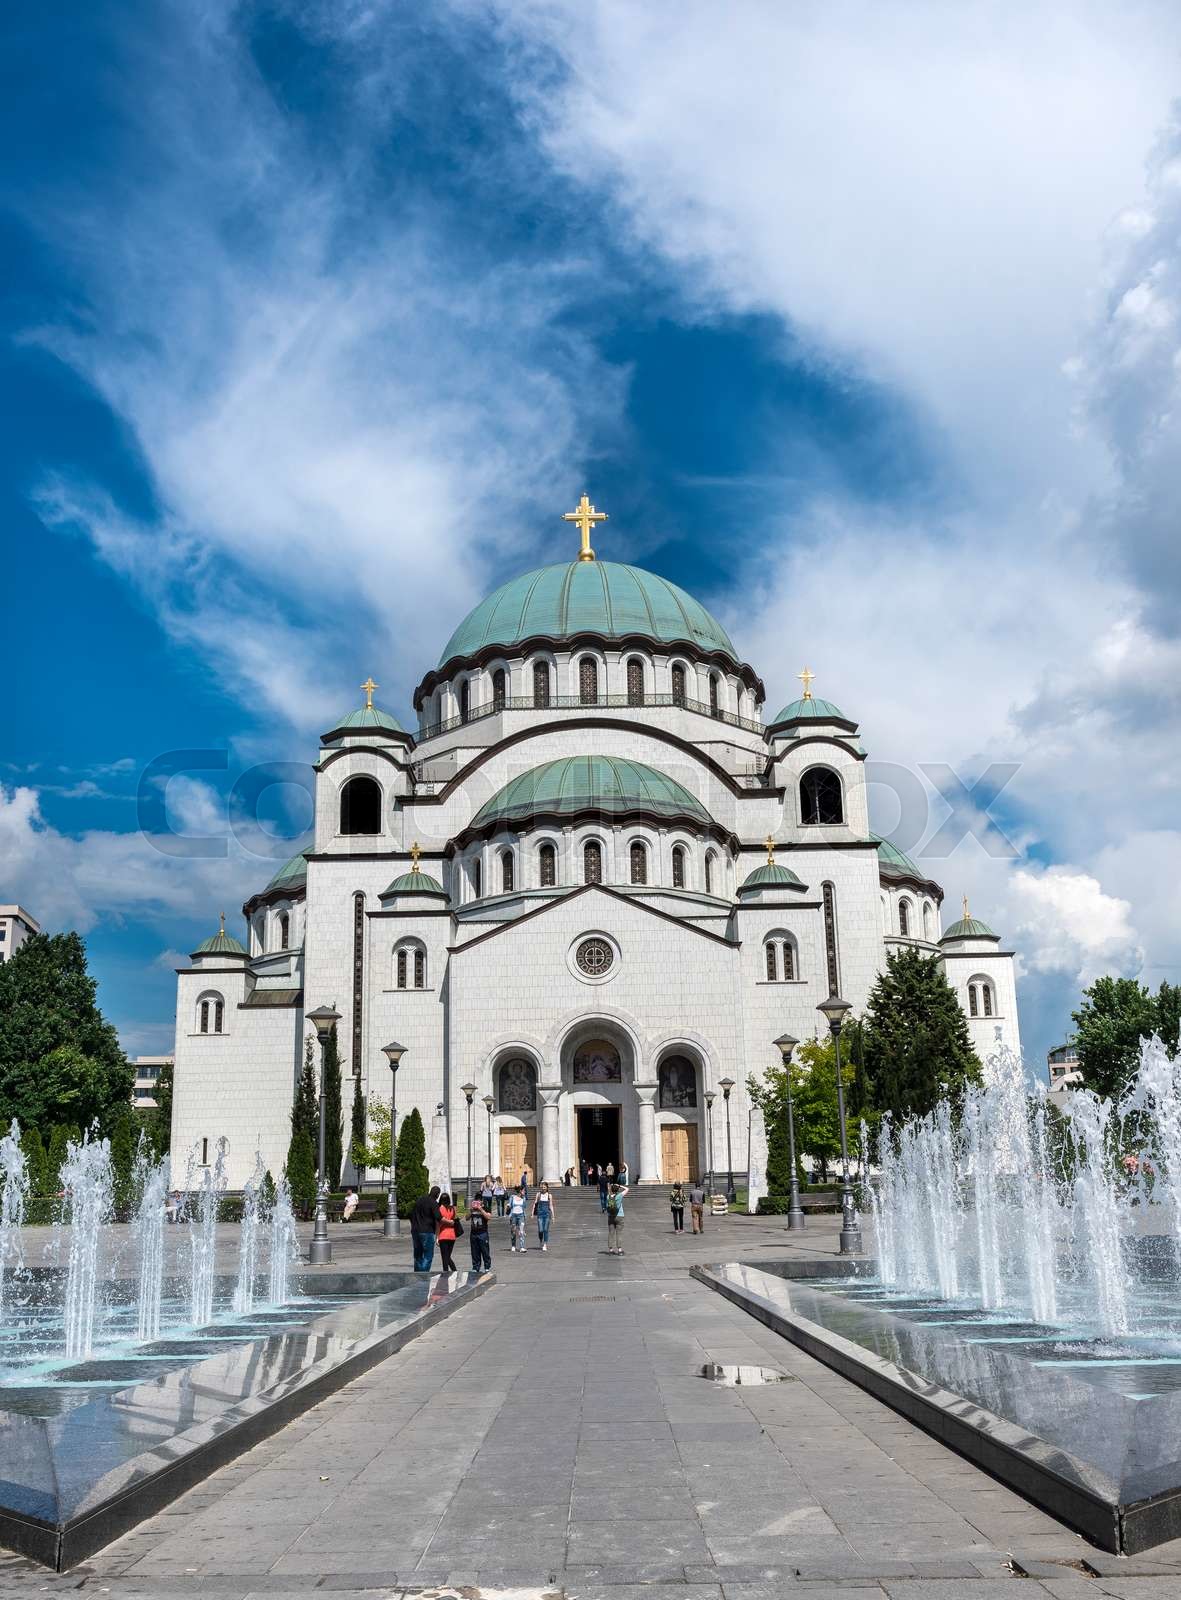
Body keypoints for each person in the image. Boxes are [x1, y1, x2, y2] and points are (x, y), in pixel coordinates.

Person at [411, 1184, 442, 1271]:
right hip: (427, 1231)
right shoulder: (433, 1203)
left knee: (418, 1254)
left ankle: (417, 1273)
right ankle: (423, 1275)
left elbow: (411, 1214)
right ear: (437, 1195)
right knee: (428, 1255)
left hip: (415, 1230)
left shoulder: (419, 1200)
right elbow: (438, 1217)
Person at [469, 1193, 492, 1272]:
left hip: (483, 1233)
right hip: (473, 1233)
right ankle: (475, 1267)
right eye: (476, 1201)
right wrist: (471, 1210)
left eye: (479, 1201)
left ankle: (487, 1267)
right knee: (474, 1251)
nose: (477, 1203)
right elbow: (466, 1218)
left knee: (485, 1250)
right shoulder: (473, 1209)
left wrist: (481, 1209)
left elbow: (489, 1217)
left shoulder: (486, 1208)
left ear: (482, 1201)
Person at [437, 1193, 458, 1271]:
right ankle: (454, 1271)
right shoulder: (452, 1208)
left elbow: (439, 1224)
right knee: (448, 1256)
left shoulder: (440, 1209)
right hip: (452, 1235)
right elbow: (454, 1218)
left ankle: (446, 1272)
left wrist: (437, 1237)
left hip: (443, 1235)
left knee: (444, 1257)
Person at [606, 1181, 628, 1254]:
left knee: (611, 1233)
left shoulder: (608, 1196)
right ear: (618, 1190)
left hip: (610, 1216)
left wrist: (610, 1187)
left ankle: (611, 1250)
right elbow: (627, 1189)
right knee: (619, 1233)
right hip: (619, 1216)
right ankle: (619, 1250)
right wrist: (620, 1186)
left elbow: (607, 1205)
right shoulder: (619, 1195)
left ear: (611, 1190)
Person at [532, 1181, 555, 1251]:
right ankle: (541, 1240)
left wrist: (553, 1216)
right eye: (542, 1187)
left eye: (544, 1187)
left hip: (547, 1214)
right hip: (540, 1214)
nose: (543, 1188)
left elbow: (551, 1205)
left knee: (545, 1229)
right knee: (540, 1230)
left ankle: (545, 1244)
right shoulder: (538, 1194)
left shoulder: (549, 1195)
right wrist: (532, 1213)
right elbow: (535, 1204)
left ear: (547, 1188)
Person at [508, 1183, 528, 1251]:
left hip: (521, 1216)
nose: (524, 1192)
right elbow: (510, 1206)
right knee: (513, 1231)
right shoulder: (512, 1197)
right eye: (523, 1191)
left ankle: (522, 1247)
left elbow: (524, 1207)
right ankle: (513, 1246)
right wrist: (508, 1207)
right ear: (520, 1191)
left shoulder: (524, 1199)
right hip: (513, 1216)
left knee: (521, 1231)